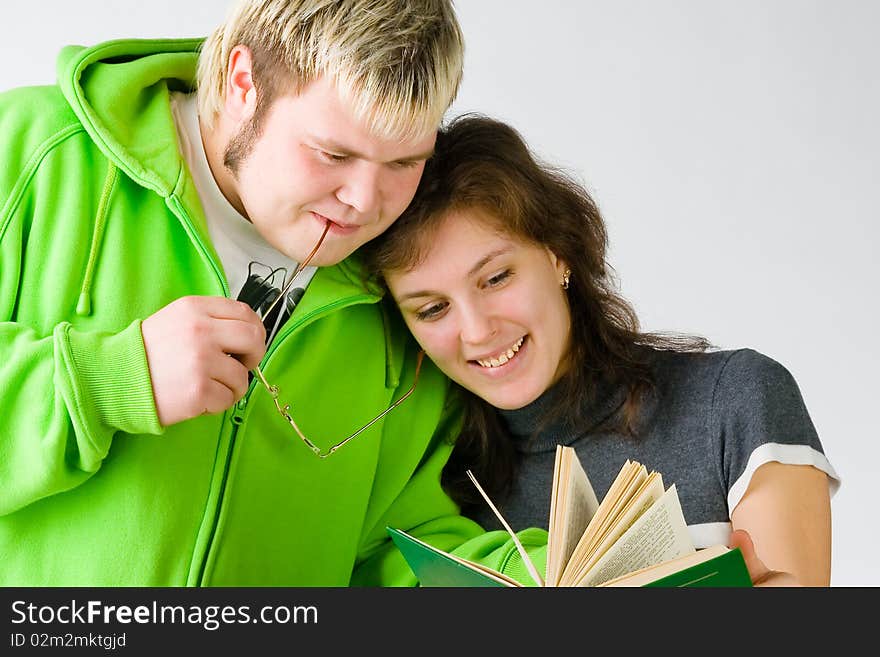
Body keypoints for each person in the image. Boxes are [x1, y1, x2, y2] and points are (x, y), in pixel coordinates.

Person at [0, 0, 540, 587]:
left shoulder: (402, 283)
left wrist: (524, 577)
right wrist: (112, 380)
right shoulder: (34, 150)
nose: (365, 200)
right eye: (334, 154)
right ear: (242, 84)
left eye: (404, 162)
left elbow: (397, 544)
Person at [364, 114, 841, 586]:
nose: (476, 331)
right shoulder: (436, 486)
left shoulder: (734, 401)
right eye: (431, 309)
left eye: (496, 278)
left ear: (558, 254)